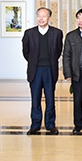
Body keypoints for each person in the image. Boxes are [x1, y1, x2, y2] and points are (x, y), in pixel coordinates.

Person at [22, 7, 63, 135]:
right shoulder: (29, 33)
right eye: (39, 16)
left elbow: (58, 51)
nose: (41, 18)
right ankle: (35, 125)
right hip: (35, 70)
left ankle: (50, 124)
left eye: (44, 16)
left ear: (49, 18)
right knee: (35, 99)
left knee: (50, 99)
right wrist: (34, 61)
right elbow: (26, 52)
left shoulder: (57, 33)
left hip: (50, 69)